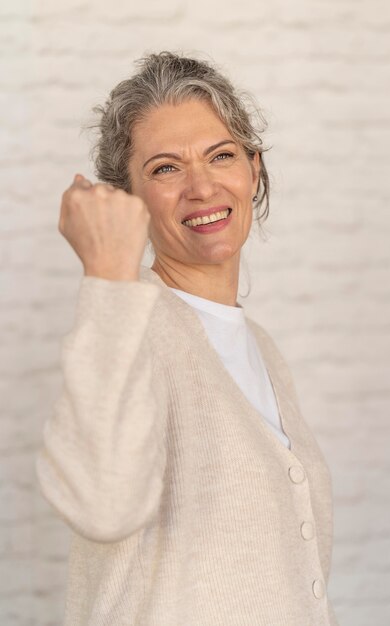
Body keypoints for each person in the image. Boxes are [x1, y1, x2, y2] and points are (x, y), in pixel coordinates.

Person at [36, 51, 339, 626]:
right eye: (165, 168)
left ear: (252, 169)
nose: (201, 187)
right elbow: (102, 506)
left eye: (220, 155)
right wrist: (107, 275)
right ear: (127, 198)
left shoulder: (263, 348)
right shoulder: (126, 327)